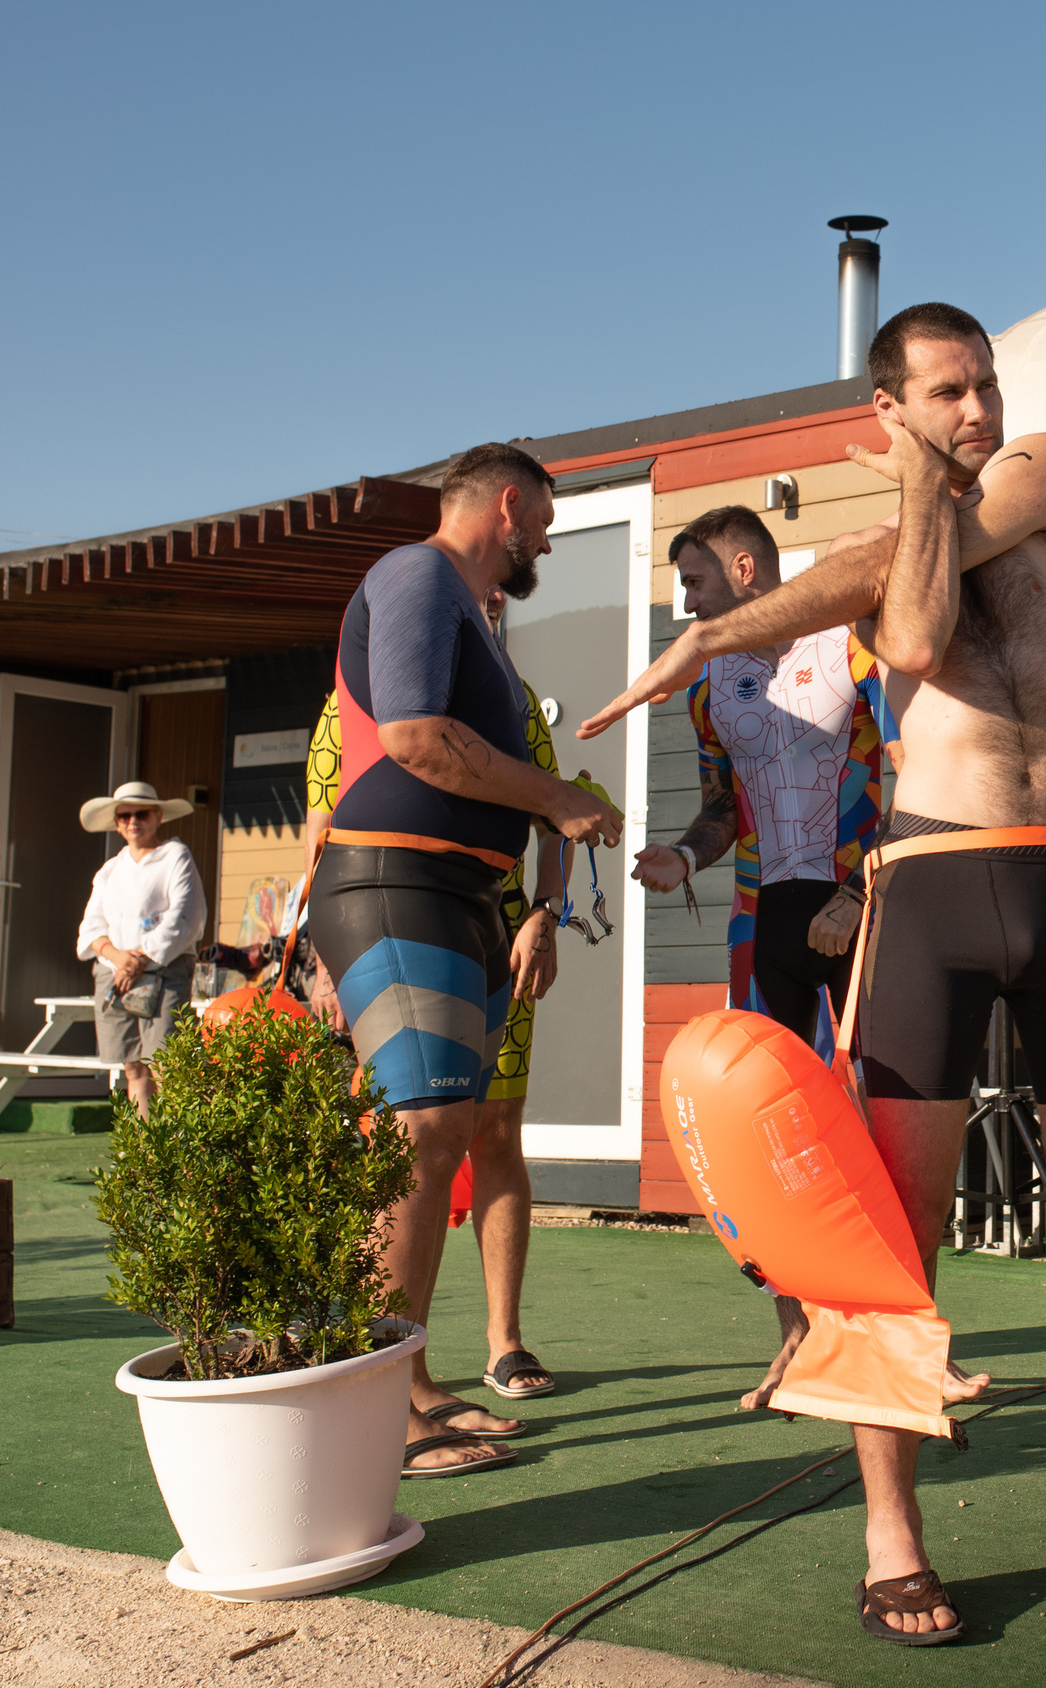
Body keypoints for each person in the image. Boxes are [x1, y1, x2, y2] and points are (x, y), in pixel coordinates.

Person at [582, 301, 1046, 1644]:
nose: (980, 412)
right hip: (932, 889)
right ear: (890, 409)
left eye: (985, 385)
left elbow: (894, 610)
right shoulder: (910, 533)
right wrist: (720, 636)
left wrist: (738, 622)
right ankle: (892, 1537)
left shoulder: (1041, 471)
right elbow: (895, 613)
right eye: (947, 395)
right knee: (893, 1243)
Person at [308, 441, 622, 1479]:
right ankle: (373, 1405)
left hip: (462, 899)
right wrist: (555, 797)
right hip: (395, 882)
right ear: (506, 502)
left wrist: (547, 839)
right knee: (423, 1131)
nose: (544, 539)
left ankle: (412, 1382)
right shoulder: (415, 574)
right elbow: (410, 736)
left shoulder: (480, 623)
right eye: (542, 520)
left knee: (443, 1138)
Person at [625, 503, 910, 1413]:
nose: (686, 603)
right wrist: (683, 854)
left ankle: (908, 1348)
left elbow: (917, 773)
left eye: (696, 582)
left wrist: (860, 892)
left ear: (747, 570)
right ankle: (799, 1342)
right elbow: (723, 809)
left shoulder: (854, 646)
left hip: (856, 909)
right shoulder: (711, 686)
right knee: (767, 1129)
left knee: (883, 1124)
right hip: (763, 925)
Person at [304, 585, 569, 1403]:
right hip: (394, 925)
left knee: (494, 1132)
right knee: (406, 1137)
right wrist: (322, 958)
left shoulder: (516, 700)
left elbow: (552, 814)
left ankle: (503, 1343)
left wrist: (546, 917)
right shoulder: (353, 698)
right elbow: (322, 824)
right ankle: (389, 1371)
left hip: (498, 936)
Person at [75, 781, 206, 1117]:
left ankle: (178, 1154)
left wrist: (137, 959)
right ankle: (146, 1152)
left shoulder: (176, 856)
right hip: (113, 974)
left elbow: (184, 918)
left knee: (166, 1066)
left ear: (158, 816)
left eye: (141, 813)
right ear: (117, 823)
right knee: (133, 1068)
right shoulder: (110, 869)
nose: (133, 821)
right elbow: (91, 926)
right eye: (124, 815)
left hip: (165, 972)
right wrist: (118, 958)